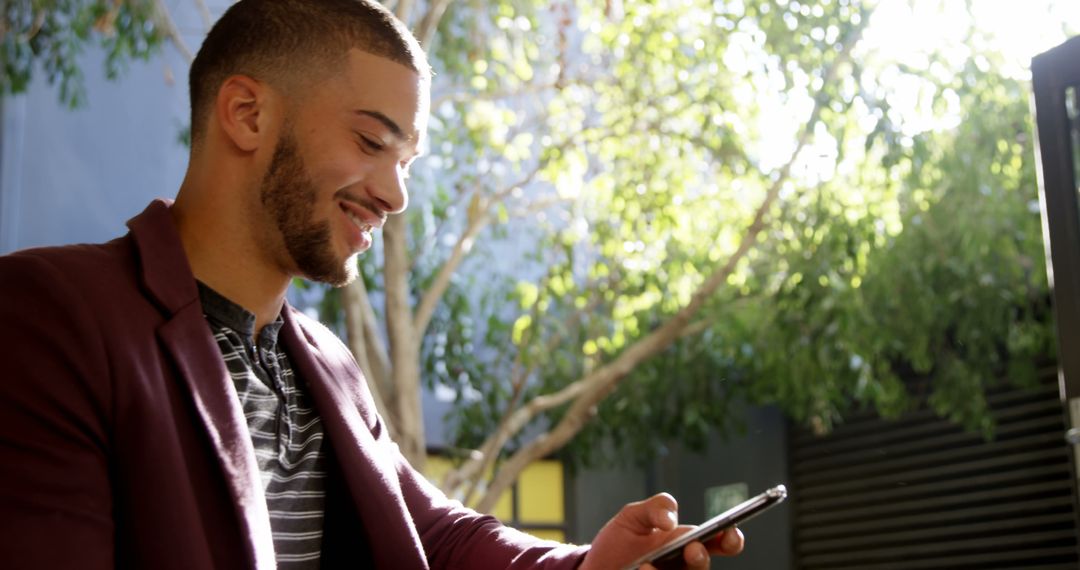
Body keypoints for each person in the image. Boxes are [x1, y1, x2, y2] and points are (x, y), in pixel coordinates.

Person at [0, 0, 744, 568]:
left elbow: (432, 531)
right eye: (370, 142)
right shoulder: (49, 314)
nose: (396, 195)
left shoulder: (328, 364)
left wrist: (586, 563)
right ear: (246, 114)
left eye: (408, 161)